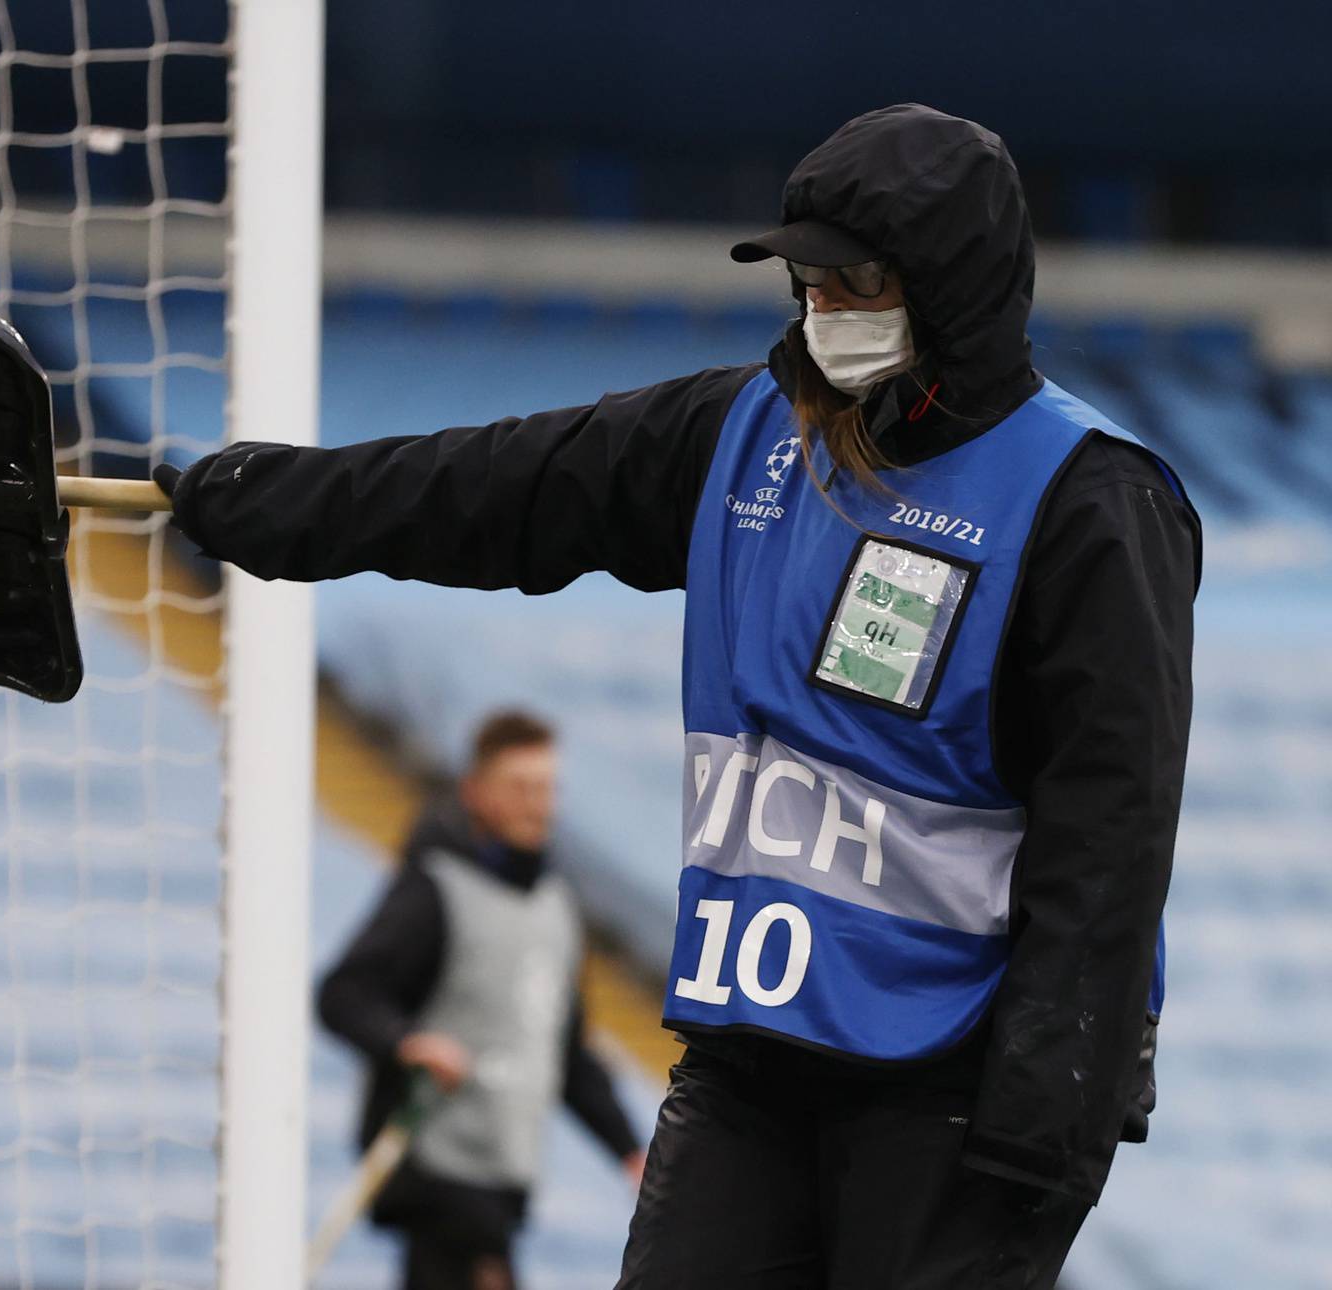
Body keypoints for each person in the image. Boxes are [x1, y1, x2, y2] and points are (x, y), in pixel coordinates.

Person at [159, 104, 1199, 1288]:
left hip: (954, 1092)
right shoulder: (745, 432)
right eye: (810, 278)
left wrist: (1044, 1123)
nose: (826, 309)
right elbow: (498, 487)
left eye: (858, 279)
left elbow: (1112, 837)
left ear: (951, 283)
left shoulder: (1088, 499)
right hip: (752, 1059)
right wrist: (276, 503)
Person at [317, 710, 645, 1290]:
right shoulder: (434, 889)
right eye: (519, 788)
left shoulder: (557, 908)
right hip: (436, 1163)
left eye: (546, 788)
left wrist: (628, 1149)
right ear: (475, 793)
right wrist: (407, 1044)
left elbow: (565, 1048)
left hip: (501, 1170)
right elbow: (343, 993)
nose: (536, 804)